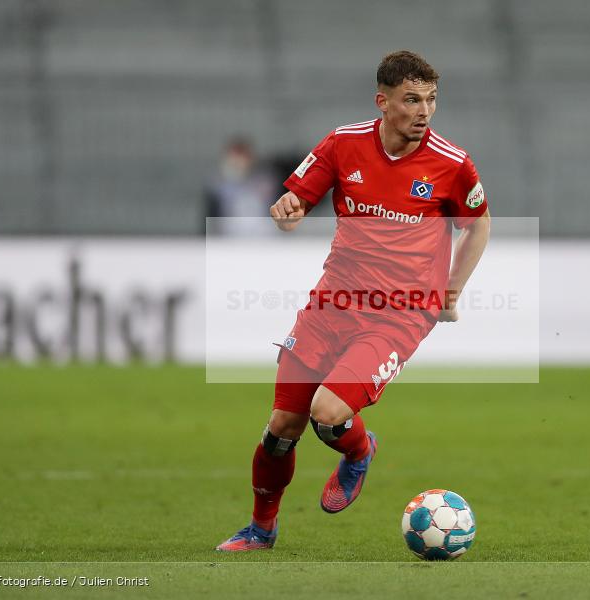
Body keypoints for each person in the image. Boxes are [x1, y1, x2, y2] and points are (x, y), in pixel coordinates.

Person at [216, 50, 491, 551]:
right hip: (333, 302)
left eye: (431, 99)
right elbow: (296, 206)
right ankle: (260, 529)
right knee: (281, 428)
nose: (425, 111)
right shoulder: (344, 143)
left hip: (399, 315)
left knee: (327, 412)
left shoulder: (452, 164)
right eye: (412, 99)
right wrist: (288, 211)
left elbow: (478, 225)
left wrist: (451, 290)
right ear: (383, 102)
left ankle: (358, 452)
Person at [203, 138, 275, 236]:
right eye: (234, 159)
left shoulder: (266, 182)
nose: (238, 162)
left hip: (263, 236)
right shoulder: (217, 187)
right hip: (229, 237)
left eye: (242, 158)